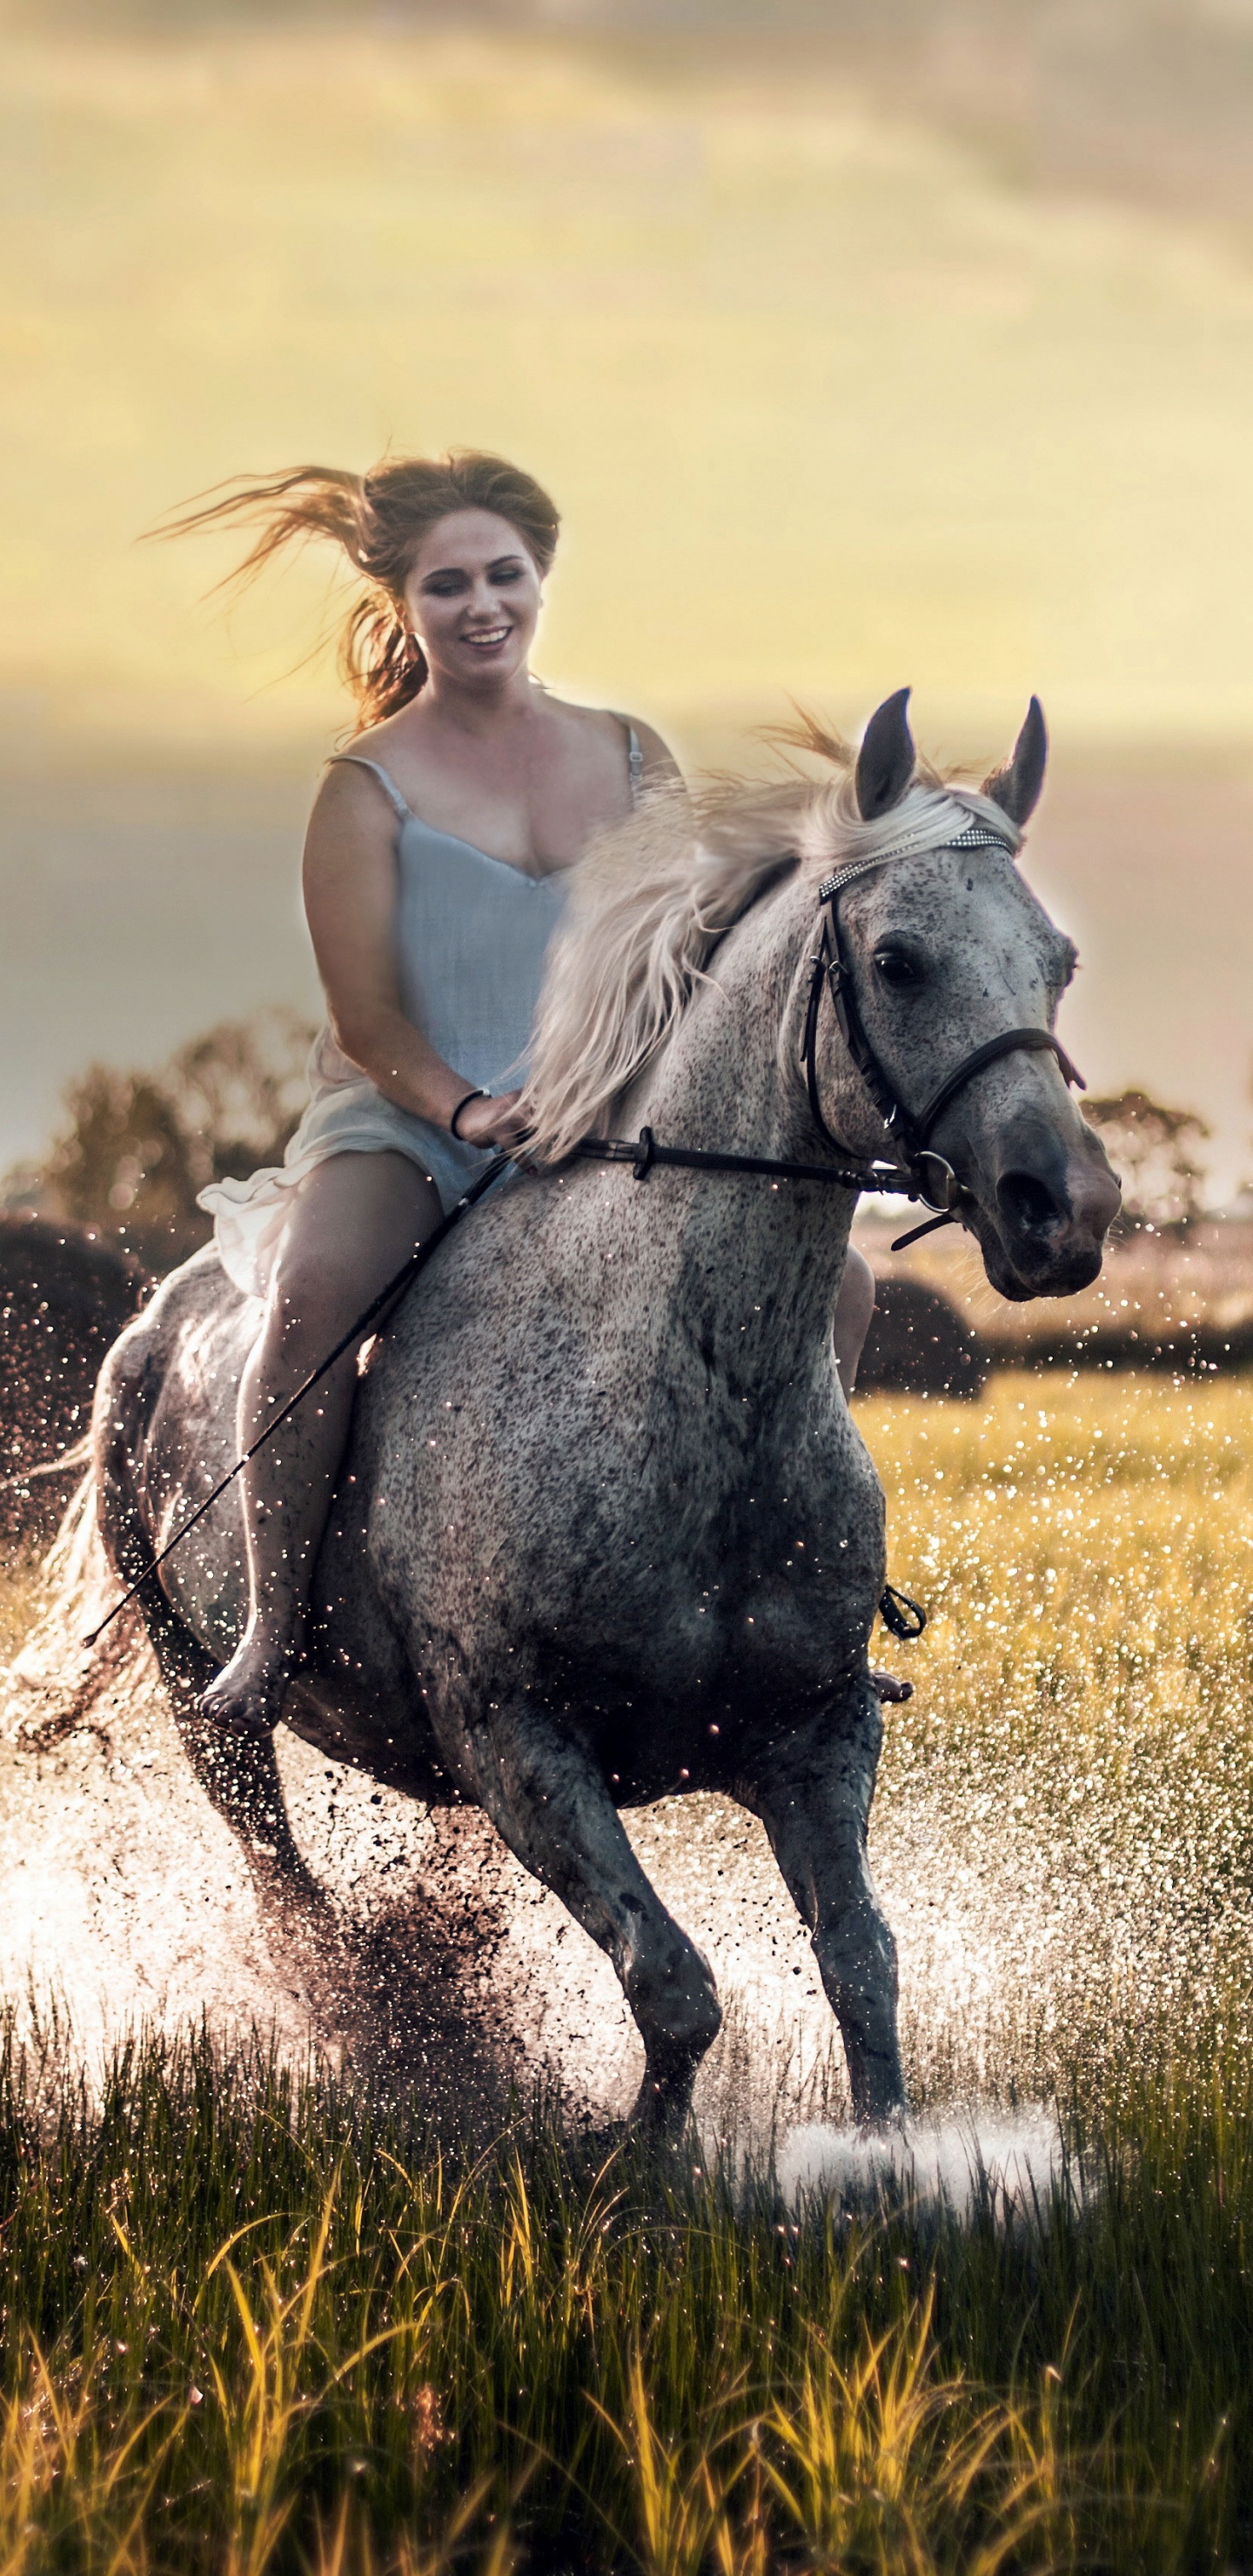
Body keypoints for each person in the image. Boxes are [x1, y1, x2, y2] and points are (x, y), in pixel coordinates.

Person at [164, 448, 883, 1737]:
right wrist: (466, 1110)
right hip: (413, 1119)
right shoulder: (363, 788)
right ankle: (273, 1630)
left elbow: (682, 959)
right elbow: (366, 1021)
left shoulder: (630, 752)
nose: (482, 603)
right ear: (403, 604)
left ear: (541, 579)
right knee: (320, 1294)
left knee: (843, 1283)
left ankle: (793, 1593)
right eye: (449, 585)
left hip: (606, 1113)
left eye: (505, 574)